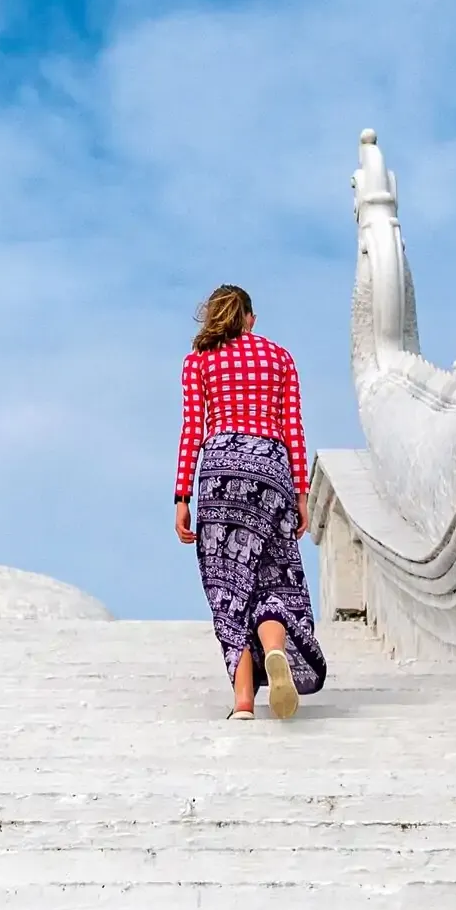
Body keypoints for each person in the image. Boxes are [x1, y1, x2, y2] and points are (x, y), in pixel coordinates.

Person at [173, 285, 328, 718]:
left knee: (228, 588)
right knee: (275, 578)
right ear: (250, 318)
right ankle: (274, 650)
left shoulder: (198, 362)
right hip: (271, 471)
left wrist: (182, 495)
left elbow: (192, 432)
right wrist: (301, 493)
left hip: (221, 471)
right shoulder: (279, 358)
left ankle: (243, 702)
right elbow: (293, 429)